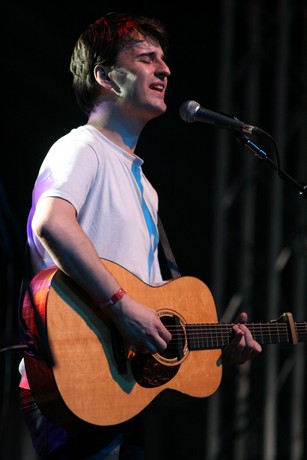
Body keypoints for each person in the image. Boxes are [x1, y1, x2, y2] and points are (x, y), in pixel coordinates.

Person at [18, 11, 262, 460]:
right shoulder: (82, 147)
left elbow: (151, 317)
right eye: (147, 57)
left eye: (163, 59)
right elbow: (49, 222)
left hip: (120, 389)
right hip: (75, 383)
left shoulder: (144, 187)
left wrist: (216, 351)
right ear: (106, 76)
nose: (165, 68)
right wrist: (119, 305)